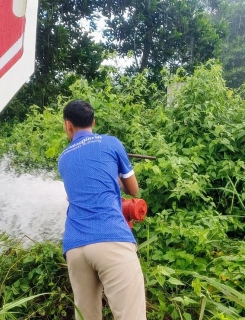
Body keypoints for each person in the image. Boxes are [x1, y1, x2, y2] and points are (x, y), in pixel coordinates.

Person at [57, 99, 146, 320]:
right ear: (93, 122)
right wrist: (113, 173)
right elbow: (133, 190)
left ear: (68, 125)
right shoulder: (111, 143)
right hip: (111, 239)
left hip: (75, 248)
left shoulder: (63, 158)